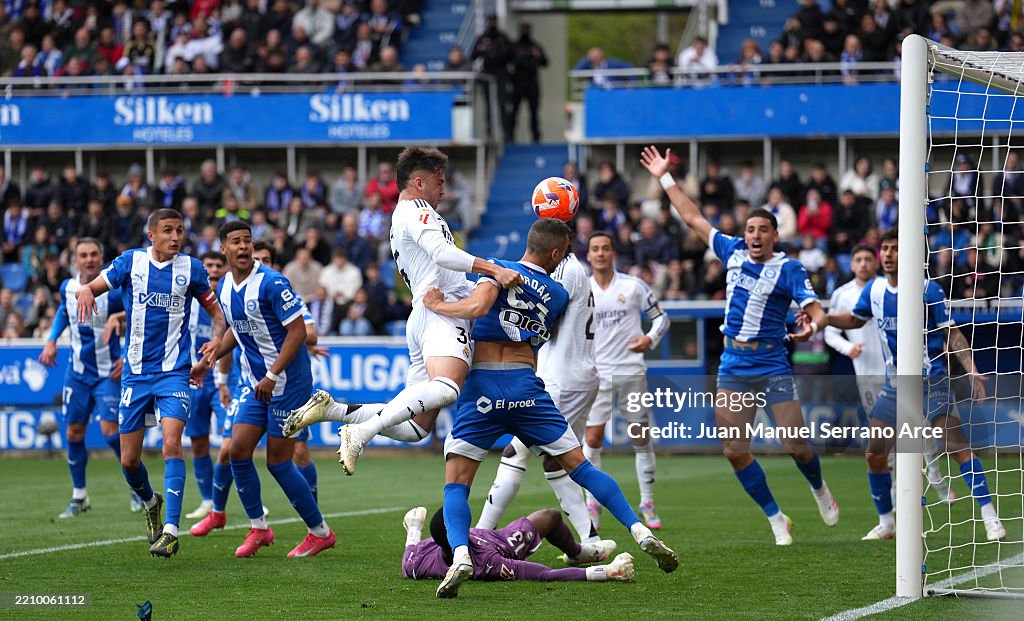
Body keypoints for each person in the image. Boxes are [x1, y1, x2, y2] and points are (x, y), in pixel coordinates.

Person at [423, 218, 677, 598]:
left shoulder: (498, 268)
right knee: (582, 467)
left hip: (484, 387)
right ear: (556, 253)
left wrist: (437, 303)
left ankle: (461, 553)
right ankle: (638, 529)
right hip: (528, 388)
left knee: (456, 484)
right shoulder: (558, 293)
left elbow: (477, 307)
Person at [641, 145, 839, 545]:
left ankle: (819, 488)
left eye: (762, 230)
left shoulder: (789, 268)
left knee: (795, 445)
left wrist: (812, 327)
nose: (754, 236)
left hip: (772, 364)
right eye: (750, 229)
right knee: (734, 450)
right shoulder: (730, 250)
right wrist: (665, 177)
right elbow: (693, 217)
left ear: (774, 235)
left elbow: (816, 310)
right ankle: (776, 517)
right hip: (733, 364)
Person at [285, 147, 522, 474]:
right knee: (448, 387)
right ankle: (362, 432)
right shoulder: (419, 210)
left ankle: (333, 410)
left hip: (423, 315)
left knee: (415, 429)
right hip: (441, 311)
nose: (444, 190)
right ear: (420, 182)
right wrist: (492, 270)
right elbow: (442, 253)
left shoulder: (401, 217)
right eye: (439, 183)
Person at [826, 230, 1006, 542]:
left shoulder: (928, 290)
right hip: (895, 386)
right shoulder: (875, 289)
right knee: (874, 453)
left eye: (895, 249)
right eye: (885, 248)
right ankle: (887, 523)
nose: (888, 254)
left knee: (956, 447)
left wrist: (972, 369)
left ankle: (990, 517)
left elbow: (952, 335)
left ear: (909, 255)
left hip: (931, 381)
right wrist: (822, 319)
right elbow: (854, 320)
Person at [75, 209, 225, 557]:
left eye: (180, 231)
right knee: (129, 461)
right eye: (168, 231)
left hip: (175, 373)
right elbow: (94, 286)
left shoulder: (193, 269)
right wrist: (85, 291)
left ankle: (171, 530)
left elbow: (217, 314)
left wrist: (217, 340)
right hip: (136, 376)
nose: (176, 237)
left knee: (172, 444)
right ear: (151, 235)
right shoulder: (131, 263)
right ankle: (150, 500)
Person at [191, 221, 334, 559]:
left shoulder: (271, 282)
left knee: (279, 462)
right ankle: (259, 528)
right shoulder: (225, 287)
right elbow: (237, 332)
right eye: (235, 242)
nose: (242, 247)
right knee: (237, 451)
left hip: (289, 384)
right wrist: (213, 355)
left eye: (247, 241)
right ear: (223, 248)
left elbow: (299, 332)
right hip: (259, 384)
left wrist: (272, 373)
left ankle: (320, 532)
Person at [476, 219, 601, 543]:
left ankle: (480, 535)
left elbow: (540, 320)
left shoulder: (563, 273)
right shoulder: (573, 269)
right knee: (557, 461)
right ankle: (590, 540)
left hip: (562, 375)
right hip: (579, 373)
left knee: (515, 454)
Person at [38, 237, 135, 518]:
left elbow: (138, 318)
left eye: (94, 254)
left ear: (101, 256)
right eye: (84, 255)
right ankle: (79, 496)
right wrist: (52, 340)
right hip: (78, 374)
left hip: (108, 373)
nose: (89, 259)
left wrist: (126, 358)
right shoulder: (68, 287)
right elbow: (63, 312)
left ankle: (134, 483)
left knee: (110, 432)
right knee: (73, 432)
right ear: (75, 259)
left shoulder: (114, 290)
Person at [580, 230, 669, 530]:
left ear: (613, 253)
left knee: (640, 437)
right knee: (592, 439)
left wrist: (649, 338)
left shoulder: (633, 286)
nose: (601, 253)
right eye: (595, 249)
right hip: (597, 374)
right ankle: (592, 504)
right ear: (589, 255)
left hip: (631, 370)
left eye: (606, 248)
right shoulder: (582, 289)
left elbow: (661, 318)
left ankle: (648, 501)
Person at [401, 506, 631, 583]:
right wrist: (606, 572)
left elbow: (408, 556)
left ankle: (576, 552)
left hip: (488, 536)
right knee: (550, 516)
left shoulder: (419, 559)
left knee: (549, 517)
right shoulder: (486, 563)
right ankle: (580, 554)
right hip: (501, 544)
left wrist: (414, 527)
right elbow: (544, 574)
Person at [182, 251, 229, 521]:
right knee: (199, 444)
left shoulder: (229, 300)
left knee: (232, 443)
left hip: (222, 381)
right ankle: (208, 502)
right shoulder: (187, 301)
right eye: (207, 265)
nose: (212, 269)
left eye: (217, 265)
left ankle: (247, 500)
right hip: (193, 381)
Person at [471, 13, 513, 141]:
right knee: (488, 106)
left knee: (503, 105)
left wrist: (500, 54)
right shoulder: (483, 38)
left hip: (501, 74)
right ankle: (489, 133)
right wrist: (483, 50)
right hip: (487, 74)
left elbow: (511, 56)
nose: (492, 23)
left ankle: (507, 134)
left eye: (494, 20)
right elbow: (473, 55)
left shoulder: (503, 38)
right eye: (490, 21)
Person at [509, 22, 547, 143]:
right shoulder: (514, 46)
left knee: (534, 112)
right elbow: (508, 60)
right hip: (517, 82)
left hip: (532, 82)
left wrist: (537, 56)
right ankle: (510, 137)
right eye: (523, 29)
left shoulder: (535, 46)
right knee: (514, 112)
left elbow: (545, 62)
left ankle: (535, 137)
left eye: (527, 29)